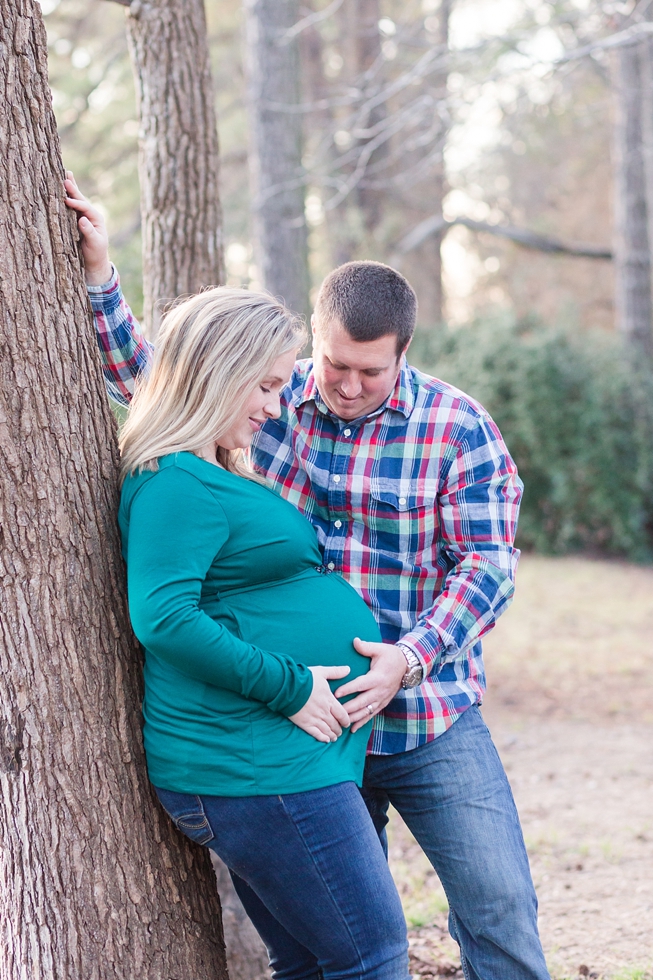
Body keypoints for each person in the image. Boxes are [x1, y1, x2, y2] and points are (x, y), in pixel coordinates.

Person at [66, 172, 551, 980]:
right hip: (304, 725)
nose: (349, 386)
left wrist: (410, 656)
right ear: (316, 342)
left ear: (403, 354)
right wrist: (101, 280)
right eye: (334, 365)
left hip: (425, 712)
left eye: (372, 371)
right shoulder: (273, 395)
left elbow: (486, 569)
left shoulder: (457, 428)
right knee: (340, 947)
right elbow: (161, 381)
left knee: (496, 908)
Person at [68, 186, 411, 979]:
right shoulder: (177, 481)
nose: (272, 405)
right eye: (261, 387)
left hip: (268, 764)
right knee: (375, 958)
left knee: (310, 965)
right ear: (216, 378)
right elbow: (164, 620)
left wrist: (100, 282)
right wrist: (290, 687)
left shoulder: (200, 471)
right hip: (255, 764)